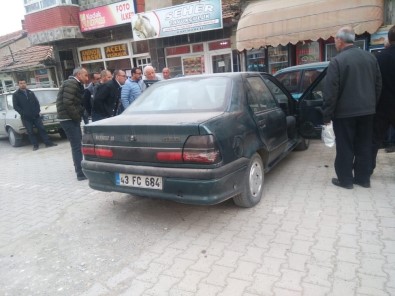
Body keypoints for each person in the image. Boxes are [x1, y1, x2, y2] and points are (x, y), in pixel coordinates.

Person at [323, 26, 382, 189]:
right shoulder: (370, 58)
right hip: (367, 111)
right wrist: (372, 104)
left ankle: (346, 180)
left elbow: (331, 91)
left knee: (345, 146)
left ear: (340, 40)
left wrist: (327, 115)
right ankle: (363, 179)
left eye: (335, 39)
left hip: (344, 113)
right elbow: (378, 85)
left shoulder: (337, 61)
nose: (335, 42)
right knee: (364, 145)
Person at [56, 67, 89, 181]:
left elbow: (76, 102)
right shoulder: (72, 83)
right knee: (76, 146)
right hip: (68, 119)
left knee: (77, 145)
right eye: (85, 75)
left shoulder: (75, 84)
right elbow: (68, 102)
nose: (87, 78)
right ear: (79, 75)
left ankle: (80, 169)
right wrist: (76, 117)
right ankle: (80, 173)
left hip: (69, 118)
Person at [372, 25, 395, 165]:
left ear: (389, 38)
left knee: (373, 141)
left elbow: (373, 82)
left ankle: (364, 175)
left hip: (382, 105)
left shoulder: (379, 57)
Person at [12, 80, 57, 151]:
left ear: (26, 84)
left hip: (36, 116)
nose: (23, 84)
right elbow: (16, 106)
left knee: (42, 129)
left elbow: (36, 102)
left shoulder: (30, 92)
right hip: (26, 117)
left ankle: (48, 143)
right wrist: (23, 113)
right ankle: (35, 146)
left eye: (24, 83)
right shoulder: (16, 94)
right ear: (18, 85)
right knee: (30, 132)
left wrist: (37, 111)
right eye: (21, 83)